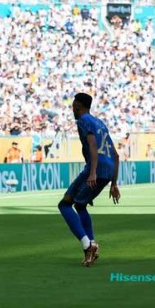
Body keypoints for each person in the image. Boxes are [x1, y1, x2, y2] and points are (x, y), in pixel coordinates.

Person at [58, 93, 120, 268]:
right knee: (80, 205)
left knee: (64, 205)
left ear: (78, 106)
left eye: (73, 106)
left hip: (95, 168)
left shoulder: (83, 120)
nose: (72, 109)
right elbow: (116, 155)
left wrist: (92, 172)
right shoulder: (100, 123)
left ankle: (88, 246)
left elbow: (92, 144)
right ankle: (91, 244)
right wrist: (114, 183)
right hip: (107, 170)